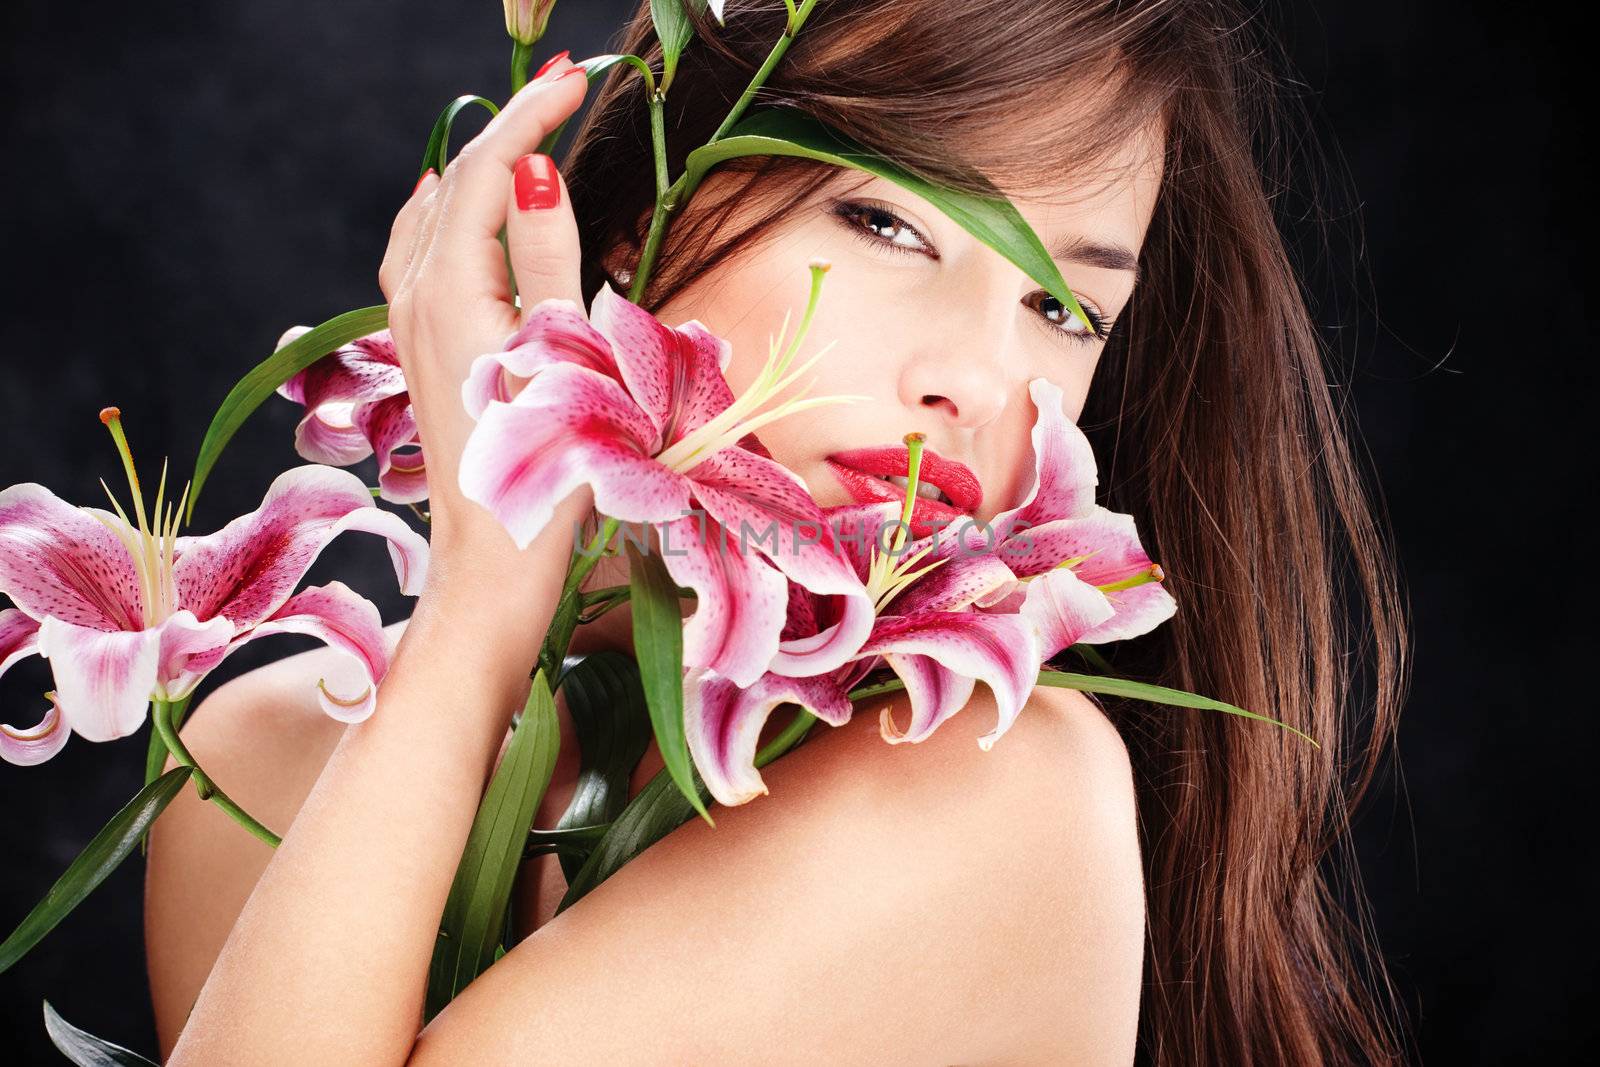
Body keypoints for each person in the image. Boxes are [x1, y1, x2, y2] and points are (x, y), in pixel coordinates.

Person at [145, 2, 1408, 1062]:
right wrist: (483, 600)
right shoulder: (257, 756)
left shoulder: (988, 781)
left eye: (1064, 306)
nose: (972, 376)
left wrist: (482, 596)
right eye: (886, 224)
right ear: (636, 225)